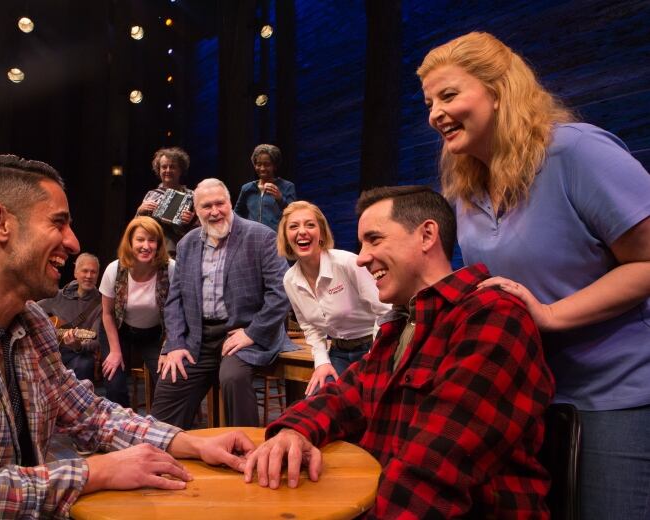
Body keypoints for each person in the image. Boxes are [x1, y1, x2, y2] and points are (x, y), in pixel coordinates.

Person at [0, 155, 254, 518]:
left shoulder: (31, 319)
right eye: (58, 223)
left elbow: (92, 413)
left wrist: (191, 443)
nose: (73, 243)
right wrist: (92, 472)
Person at [418, 31, 650, 518]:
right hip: (528, 396)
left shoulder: (575, 153)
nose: (435, 113)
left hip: (617, 394)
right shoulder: (464, 187)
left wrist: (550, 314)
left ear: (499, 91)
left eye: (449, 95)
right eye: (429, 102)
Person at [244, 186, 555, 518]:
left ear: (427, 235)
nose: (361, 257)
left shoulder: (492, 316)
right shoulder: (402, 326)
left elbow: (435, 467)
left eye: (374, 240)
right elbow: (346, 396)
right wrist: (293, 430)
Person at [152, 178, 294, 429]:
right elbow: (174, 301)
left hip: (242, 334)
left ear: (230, 203)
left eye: (220, 203)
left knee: (233, 378)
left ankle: (247, 451)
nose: (215, 211)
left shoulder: (261, 236)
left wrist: (252, 332)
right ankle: (159, 452)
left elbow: (281, 292)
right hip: (198, 338)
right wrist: (174, 344)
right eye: (207, 206)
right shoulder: (187, 244)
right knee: (170, 379)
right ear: (196, 212)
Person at [277, 200, 393, 395]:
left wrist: (374, 355)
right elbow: (310, 328)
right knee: (317, 403)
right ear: (286, 237)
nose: (302, 231)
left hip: (372, 345)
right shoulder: (289, 280)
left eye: (310, 225)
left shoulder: (347, 263)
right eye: (294, 226)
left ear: (321, 233)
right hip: (337, 352)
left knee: (367, 403)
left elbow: (384, 310)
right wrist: (322, 362)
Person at [99, 216, 175, 408]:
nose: (146, 246)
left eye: (152, 240)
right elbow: (107, 313)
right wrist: (115, 351)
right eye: (140, 239)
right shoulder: (114, 269)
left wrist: (169, 348)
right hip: (119, 330)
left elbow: (178, 313)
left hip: (155, 333)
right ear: (130, 242)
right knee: (114, 383)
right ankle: (123, 428)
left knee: (168, 381)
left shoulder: (170, 269)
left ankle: (159, 430)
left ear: (158, 244)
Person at [38, 252, 102, 382]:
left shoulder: (101, 303)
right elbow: (31, 309)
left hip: (79, 354)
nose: (89, 276)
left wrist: (78, 346)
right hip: (53, 353)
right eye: (85, 271)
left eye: (93, 272)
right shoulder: (58, 296)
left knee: (84, 364)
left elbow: (96, 340)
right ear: (76, 273)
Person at [136, 147, 197, 258]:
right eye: (164, 167)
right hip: (154, 251)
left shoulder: (192, 196)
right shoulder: (152, 195)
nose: (167, 170)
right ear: (159, 170)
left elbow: (202, 229)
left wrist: (191, 221)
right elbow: (137, 227)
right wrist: (140, 211)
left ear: (180, 170)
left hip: (182, 252)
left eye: (172, 167)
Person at [235, 144, 297, 231]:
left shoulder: (287, 186)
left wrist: (280, 199)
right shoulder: (247, 188)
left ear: (275, 166)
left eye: (267, 165)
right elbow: (237, 215)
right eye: (258, 164)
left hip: (276, 239)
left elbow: (294, 214)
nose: (262, 168)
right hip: (252, 239)